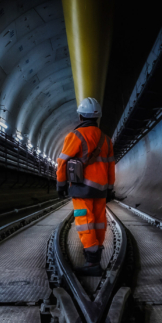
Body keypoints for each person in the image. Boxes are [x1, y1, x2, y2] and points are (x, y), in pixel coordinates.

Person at [56, 97, 115, 276]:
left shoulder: (75, 136)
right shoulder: (106, 140)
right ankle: (95, 255)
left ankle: (92, 262)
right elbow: (111, 166)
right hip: (101, 189)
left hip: (82, 188)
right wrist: (110, 188)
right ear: (97, 118)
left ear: (81, 117)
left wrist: (61, 184)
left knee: (84, 221)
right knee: (98, 221)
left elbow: (62, 162)